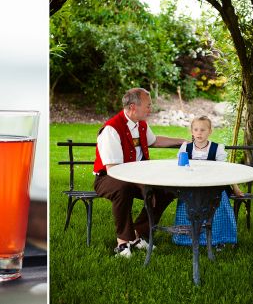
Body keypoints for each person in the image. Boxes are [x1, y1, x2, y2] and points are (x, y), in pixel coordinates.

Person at [93, 88, 188, 258]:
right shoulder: (112, 129)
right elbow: (114, 170)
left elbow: (155, 141)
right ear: (132, 107)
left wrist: (182, 141)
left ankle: (139, 234)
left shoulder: (141, 125)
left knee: (166, 190)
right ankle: (122, 242)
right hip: (108, 178)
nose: (150, 109)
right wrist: (143, 185)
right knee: (123, 189)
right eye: (148, 105)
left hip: (136, 178)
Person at [172, 116, 243, 248]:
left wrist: (236, 188)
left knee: (218, 209)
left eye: (203, 130)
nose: (199, 133)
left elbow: (226, 170)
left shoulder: (217, 148)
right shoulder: (185, 148)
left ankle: (218, 239)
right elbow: (180, 169)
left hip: (213, 188)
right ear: (192, 131)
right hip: (191, 187)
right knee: (188, 208)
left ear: (210, 131)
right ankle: (188, 239)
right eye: (196, 129)